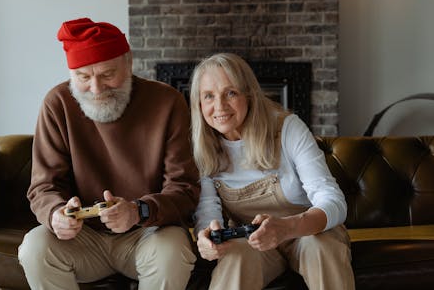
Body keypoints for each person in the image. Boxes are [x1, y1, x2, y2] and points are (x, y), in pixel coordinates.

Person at [18, 17, 200, 290]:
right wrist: (56, 213)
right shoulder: (57, 104)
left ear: (128, 63)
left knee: (173, 250)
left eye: (107, 75)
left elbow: (185, 188)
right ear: (72, 75)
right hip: (83, 239)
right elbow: (44, 186)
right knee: (34, 247)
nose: (96, 88)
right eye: (83, 77)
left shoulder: (167, 101)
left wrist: (139, 211)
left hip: (148, 233)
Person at [189, 53, 355, 290]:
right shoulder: (202, 147)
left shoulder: (287, 128)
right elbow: (207, 211)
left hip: (307, 233)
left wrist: (287, 228)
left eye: (231, 93)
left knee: (321, 248)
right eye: (208, 96)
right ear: (198, 104)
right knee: (235, 256)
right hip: (253, 242)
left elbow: (333, 201)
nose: (220, 106)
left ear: (249, 94)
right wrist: (206, 238)